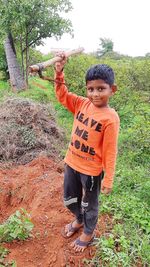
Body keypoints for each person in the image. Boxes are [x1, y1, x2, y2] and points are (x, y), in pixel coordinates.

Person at [54, 53, 120, 252]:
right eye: (91, 89)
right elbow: (62, 95)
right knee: (69, 198)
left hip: (91, 172)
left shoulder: (110, 118)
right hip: (72, 163)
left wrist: (108, 179)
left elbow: (110, 151)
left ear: (112, 90)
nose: (95, 94)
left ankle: (88, 232)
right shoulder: (82, 104)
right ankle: (79, 218)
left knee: (89, 203)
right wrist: (59, 72)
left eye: (101, 89)